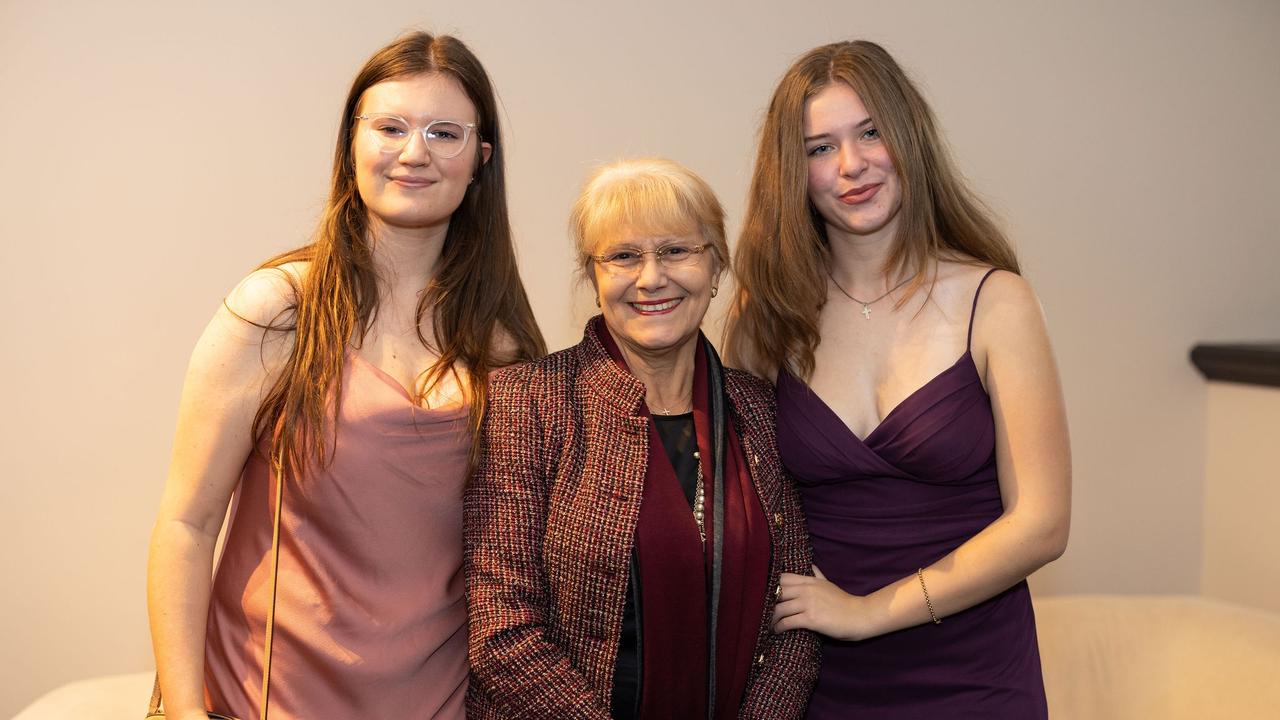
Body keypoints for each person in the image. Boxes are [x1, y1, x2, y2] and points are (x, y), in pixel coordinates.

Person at [146, 31, 545, 720]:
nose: (415, 151)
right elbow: (186, 524)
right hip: (264, 701)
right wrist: (183, 712)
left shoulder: (506, 349)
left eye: (444, 132)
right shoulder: (275, 312)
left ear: (480, 160)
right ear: (352, 144)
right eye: (390, 126)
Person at [725, 41, 1071, 718]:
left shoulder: (996, 302)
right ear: (791, 171)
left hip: (974, 676)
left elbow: (1042, 524)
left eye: (870, 133)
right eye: (819, 148)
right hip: (817, 680)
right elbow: (735, 500)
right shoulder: (765, 317)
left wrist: (868, 612)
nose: (851, 166)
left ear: (908, 137)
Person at [465, 158, 820, 719]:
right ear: (593, 276)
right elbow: (500, 626)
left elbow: (796, 616)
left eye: (677, 251)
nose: (651, 278)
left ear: (717, 267)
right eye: (624, 256)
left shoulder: (760, 410)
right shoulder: (526, 402)